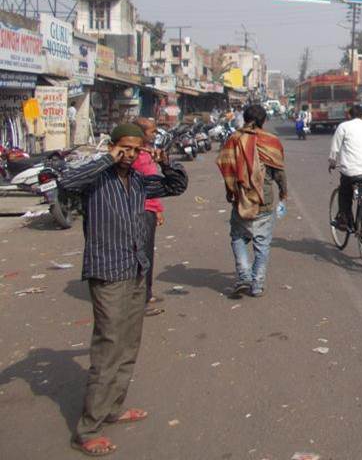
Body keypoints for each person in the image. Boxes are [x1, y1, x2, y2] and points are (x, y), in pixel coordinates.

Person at [60, 123, 188, 457]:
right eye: (124, 148)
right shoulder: (96, 180)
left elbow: (176, 186)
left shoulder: (139, 182)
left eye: (135, 149)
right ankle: (88, 429)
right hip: (108, 272)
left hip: (135, 270)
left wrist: (164, 160)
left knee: (129, 343)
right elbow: (66, 182)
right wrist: (107, 158)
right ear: (114, 146)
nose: (129, 155)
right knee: (109, 347)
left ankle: (112, 408)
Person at [216, 104, 286, 298]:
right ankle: (256, 285)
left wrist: (230, 191)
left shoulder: (234, 139)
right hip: (265, 200)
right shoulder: (271, 141)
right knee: (262, 244)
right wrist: (283, 193)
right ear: (264, 120)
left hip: (240, 199)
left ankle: (244, 276)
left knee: (238, 237)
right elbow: (279, 172)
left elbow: (226, 167)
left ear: (244, 118)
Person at [132, 117, 166, 317]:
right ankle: (139, 301)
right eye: (152, 131)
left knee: (147, 254)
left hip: (150, 208)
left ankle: (148, 292)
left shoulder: (147, 153)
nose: (155, 135)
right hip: (139, 210)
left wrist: (158, 209)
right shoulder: (134, 155)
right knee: (141, 255)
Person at [329, 105, 362, 231]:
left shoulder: (344, 126)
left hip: (350, 172)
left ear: (349, 115)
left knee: (344, 193)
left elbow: (335, 148)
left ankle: (345, 221)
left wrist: (332, 162)